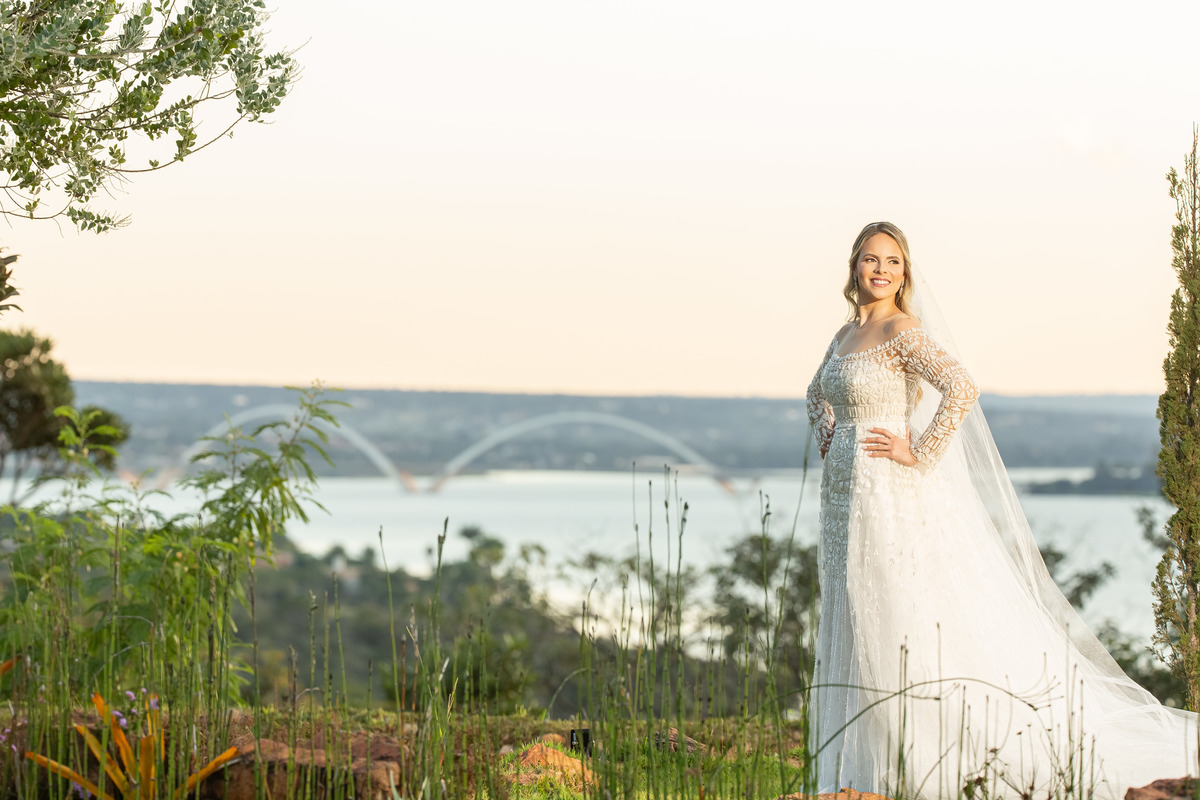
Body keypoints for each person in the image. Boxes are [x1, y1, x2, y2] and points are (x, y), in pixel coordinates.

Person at [805, 221, 1197, 799]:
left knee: (892, 607)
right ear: (854, 266)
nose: (881, 269)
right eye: (871, 259)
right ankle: (867, 766)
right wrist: (830, 436)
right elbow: (817, 392)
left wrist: (918, 448)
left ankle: (924, 760)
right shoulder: (845, 333)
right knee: (852, 608)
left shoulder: (901, 329)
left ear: (904, 272)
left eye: (892, 261)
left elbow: (961, 387)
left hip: (888, 492)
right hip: (842, 495)